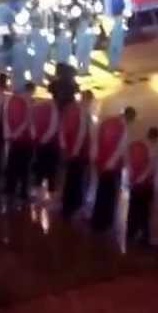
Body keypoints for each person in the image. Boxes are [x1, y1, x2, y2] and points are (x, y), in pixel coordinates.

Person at [93, 107, 136, 231]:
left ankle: (97, 220)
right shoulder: (123, 128)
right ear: (129, 116)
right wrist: (112, 164)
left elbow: (98, 140)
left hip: (102, 161)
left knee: (101, 192)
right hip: (112, 166)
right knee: (109, 195)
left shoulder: (107, 122)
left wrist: (99, 160)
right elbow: (121, 149)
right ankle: (104, 222)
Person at [59, 90, 95, 220]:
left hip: (76, 152)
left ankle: (70, 208)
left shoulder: (78, 111)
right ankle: (70, 209)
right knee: (74, 181)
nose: (90, 103)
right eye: (90, 100)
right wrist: (73, 151)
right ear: (87, 99)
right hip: (77, 153)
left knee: (73, 180)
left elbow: (65, 130)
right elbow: (79, 133)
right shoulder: (80, 111)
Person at [125, 127, 158, 247]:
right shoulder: (153, 149)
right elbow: (150, 168)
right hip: (145, 185)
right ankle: (142, 236)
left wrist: (132, 179)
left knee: (133, 208)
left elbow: (129, 161)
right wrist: (141, 180)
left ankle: (130, 232)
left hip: (135, 182)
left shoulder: (138, 145)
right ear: (156, 137)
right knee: (143, 211)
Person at [2, 82, 35, 202]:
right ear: (30, 91)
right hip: (25, 139)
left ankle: (9, 188)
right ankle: (23, 192)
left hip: (14, 139)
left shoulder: (11, 101)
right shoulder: (29, 103)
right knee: (25, 167)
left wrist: (9, 134)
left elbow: (6, 117)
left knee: (12, 164)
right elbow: (27, 121)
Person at [31, 94, 61, 197]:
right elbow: (53, 126)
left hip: (39, 141)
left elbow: (33, 123)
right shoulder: (54, 108)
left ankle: (37, 192)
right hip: (51, 143)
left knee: (39, 167)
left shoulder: (37, 107)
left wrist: (37, 138)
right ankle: (50, 193)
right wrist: (45, 139)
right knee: (51, 170)